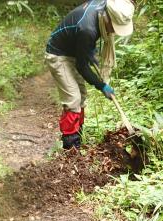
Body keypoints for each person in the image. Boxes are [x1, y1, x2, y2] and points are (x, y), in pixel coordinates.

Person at [44, 0, 134, 150]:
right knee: (73, 99)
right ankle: (71, 148)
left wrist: (87, 50)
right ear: (108, 19)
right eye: (114, 27)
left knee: (82, 96)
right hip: (58, 54)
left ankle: (78, 137)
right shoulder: (88, 29)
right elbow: (82, 67)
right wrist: (101, 85)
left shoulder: (106, 6)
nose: (114, 31)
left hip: (73, 49)